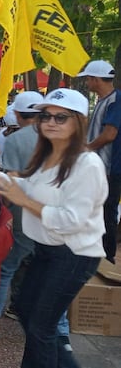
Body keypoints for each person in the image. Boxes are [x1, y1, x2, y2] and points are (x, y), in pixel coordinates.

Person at [0, 88, 107, 368]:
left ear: (79, 122)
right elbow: (35, 188)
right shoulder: (48, 156)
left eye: (61, 117)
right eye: (45, 116)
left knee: (41, 328)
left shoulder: (87, 164)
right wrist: (3, 180)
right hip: (46, 250)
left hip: (73, 254)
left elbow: (72, 220)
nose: (51, 122)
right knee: (25, 310)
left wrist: (25, 200)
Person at [0, 91, 43, 338]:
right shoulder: (60, 136)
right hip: (54, 213)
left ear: (19, 115)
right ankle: (59, 330)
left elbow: (11, 181)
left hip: (22, 211)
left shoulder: (14, 140)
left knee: (6, 266)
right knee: (49, 268)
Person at [82, 60, 119, 263]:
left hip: (110, 168)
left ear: (96, 79)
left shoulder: (116, 101)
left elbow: (109, 134)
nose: (87, 82)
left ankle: (107, 255)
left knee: (106, 210)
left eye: (88, 78)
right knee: (96, 209)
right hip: (98, 167)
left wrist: (87, 148)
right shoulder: (103, 101)